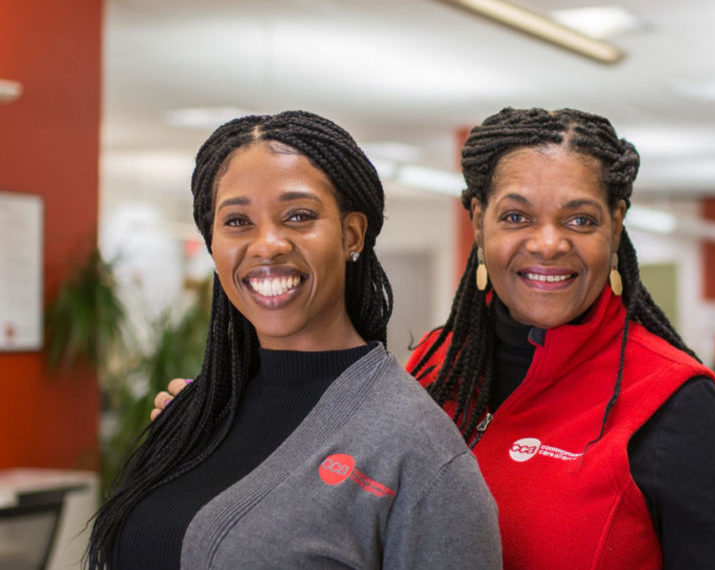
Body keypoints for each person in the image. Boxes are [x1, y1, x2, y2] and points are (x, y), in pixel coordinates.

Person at [155, 107, 715, 569]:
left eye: (579, 219)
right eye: (516, 216)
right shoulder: (433, 369)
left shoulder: (672, 403)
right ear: (477, 220)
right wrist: (226, 426)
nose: (547, 242)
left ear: (617, 225)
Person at [90, 110, 502, 569]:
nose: (267, 244)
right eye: (237, 221)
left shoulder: (417, 452)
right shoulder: (198, 415)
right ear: (212, 242)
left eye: (298, 216)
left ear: (351, 235)